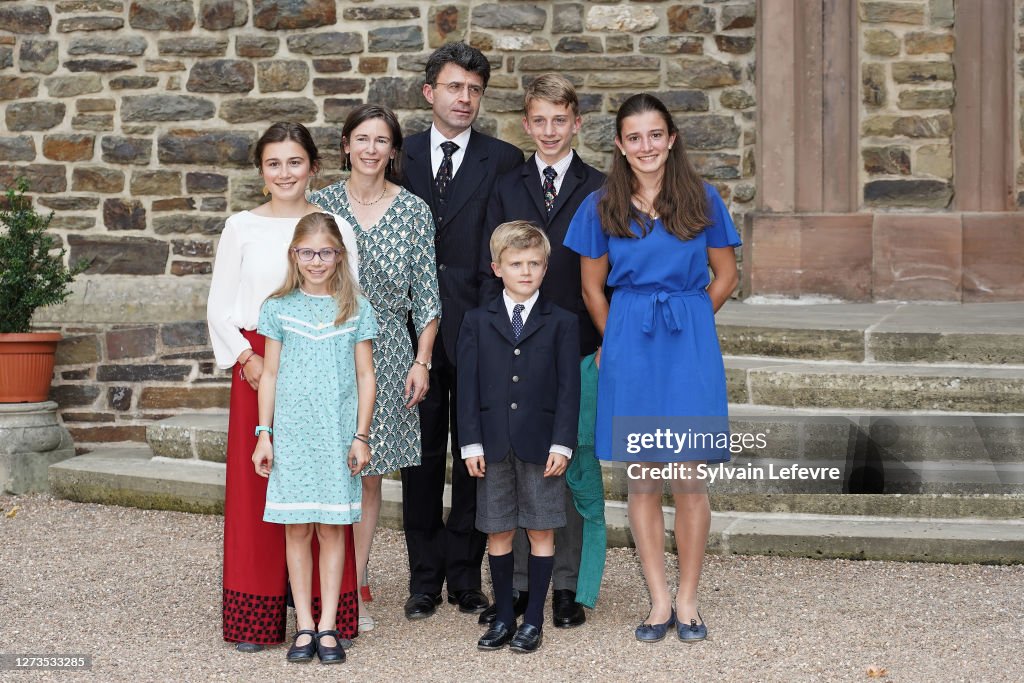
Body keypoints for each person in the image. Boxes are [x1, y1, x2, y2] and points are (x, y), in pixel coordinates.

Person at [563, 93, 741, 644]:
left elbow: (726, 275)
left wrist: (689, 318)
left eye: (655, 134)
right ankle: (658, 601)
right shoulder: (601, 206)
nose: (646, 146)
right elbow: (592, 287)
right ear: (620, 144)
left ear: (671, 139)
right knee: (641, 478)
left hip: (687, 344)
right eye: (634, 137)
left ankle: (688, 599)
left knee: (689, 477)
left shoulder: (703, 198)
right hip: (631, 343)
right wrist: (616, 337)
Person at [207, 123, 359, 650]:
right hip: (258, 363)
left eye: (295, 162)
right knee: (259, 493)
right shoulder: (240, 227)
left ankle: (324, 618)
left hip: (325, 364)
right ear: (261, 171)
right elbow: (218, 306)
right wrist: (246, 357)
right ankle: (256, 615)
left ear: (312, 167)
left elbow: (349, 297)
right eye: (274, 163)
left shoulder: (332, 224)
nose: (285, 173)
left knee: (322, 495)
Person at [399, 42, 524, 620]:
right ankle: (423, 579)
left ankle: (466, 576)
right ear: (431, 93)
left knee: (475, 458)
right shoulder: (399, 155)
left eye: (474, 89)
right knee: (420, 460)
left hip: (480, 330)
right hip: (411, 333)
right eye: (454, 87)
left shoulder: (504, 160)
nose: (465, 98)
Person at [477, 73, 606, 630]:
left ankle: (567, 586)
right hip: (513, 345)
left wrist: (607, 340)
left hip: (576, 344)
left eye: (561, 120)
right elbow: (492, 261)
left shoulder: (601, 185)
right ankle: (522, 587)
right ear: (525, 125)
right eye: (540, 121)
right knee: (515, 456)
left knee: (566, 461)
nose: (550, 131)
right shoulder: (507, 183)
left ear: (576, 124)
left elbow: (612, 269)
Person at [309, 104, 441, 631]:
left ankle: (354, 586)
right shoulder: (318, 205)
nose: (370, 149)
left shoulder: (412, 211)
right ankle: (314, 582)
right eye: (361, 138)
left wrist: (422, 359)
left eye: (380, 140)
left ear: (392, 151)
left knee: (367, 472)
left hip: (386, 350)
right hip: (322, 344)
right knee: (321, 464)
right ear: (345, 145)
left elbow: (427, 298)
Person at [252, 213, 378, 664]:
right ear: (294, 255)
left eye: (326, 252)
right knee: (298, 529)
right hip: (292, 438)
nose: (317, 261)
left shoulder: (356, 308)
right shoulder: (278, 307)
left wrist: (361, 436)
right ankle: (303, 624)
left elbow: (366, 376)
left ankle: (328, 628)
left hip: (338, 436)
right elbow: (268, 375)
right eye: (307, 252)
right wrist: (264, 434)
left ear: (339, 255)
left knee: (331, 529)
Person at [458, 221, 581, 653]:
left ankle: (533, 621)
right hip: (491, 447)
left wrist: (562, 443)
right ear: (497, 268)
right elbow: (468, 387)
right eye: (516, 264)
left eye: (534, 264)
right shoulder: (476, 320)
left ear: (546, 268)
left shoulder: (563, 322)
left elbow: (570, 390)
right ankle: (505, 616)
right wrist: (469, 443)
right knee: (498, 531)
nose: (525, 271)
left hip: (542, 445)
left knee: (542, 529)